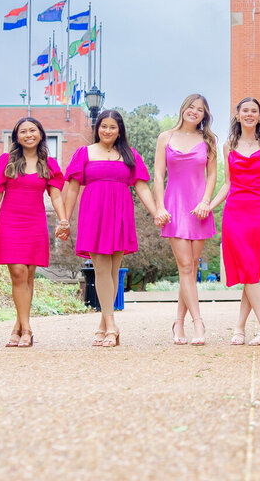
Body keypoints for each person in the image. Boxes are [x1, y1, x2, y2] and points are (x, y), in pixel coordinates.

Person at [60, 109, 159, 347]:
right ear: (97, 128)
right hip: (93, 212)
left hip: (120, 212)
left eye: (112, 127)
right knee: (102, 269)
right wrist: (65, 218)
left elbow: (142, 187)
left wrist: (156, 212)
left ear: (119, 130)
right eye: (103, 126)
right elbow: (72, 188)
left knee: (114, 270)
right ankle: (112, 325)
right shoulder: (84, 153)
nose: (107, 131)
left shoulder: (129, 154)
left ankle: (103, 325)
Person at [207, 97, 260, 346]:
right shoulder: (229, 145)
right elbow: (228, 183)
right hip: (234, 212)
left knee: (250, 270)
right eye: (245, 111)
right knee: (248, 269)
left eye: (254, 111)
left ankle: (241, 328)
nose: (250, 114)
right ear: (238, 115)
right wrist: (209, 205)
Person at [0, 117, 65, 348]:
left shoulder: (49, 164)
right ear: (16, 137)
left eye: (33, 130)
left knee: (28, 275)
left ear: (40, 134)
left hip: (35, 223)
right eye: (23, 131)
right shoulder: (7, 161)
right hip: (10, 222)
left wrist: (63, 218)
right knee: (18, 273)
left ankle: (19, 326)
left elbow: (56, 194)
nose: (28, 135)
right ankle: (27, 329)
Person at [153, 94, 218, 346]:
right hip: (174, 207)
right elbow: (158, 175)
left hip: (199, 208)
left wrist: (206, 201)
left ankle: (178, 322)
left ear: (205, 115)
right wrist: (160, 206)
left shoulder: (208, 139)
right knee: (186, 267)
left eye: (200, 109)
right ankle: (198, 323)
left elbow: (212, 175)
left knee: (189, 267)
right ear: (183, 109)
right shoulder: (165, 138)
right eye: (191, 107)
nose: (194, 112)